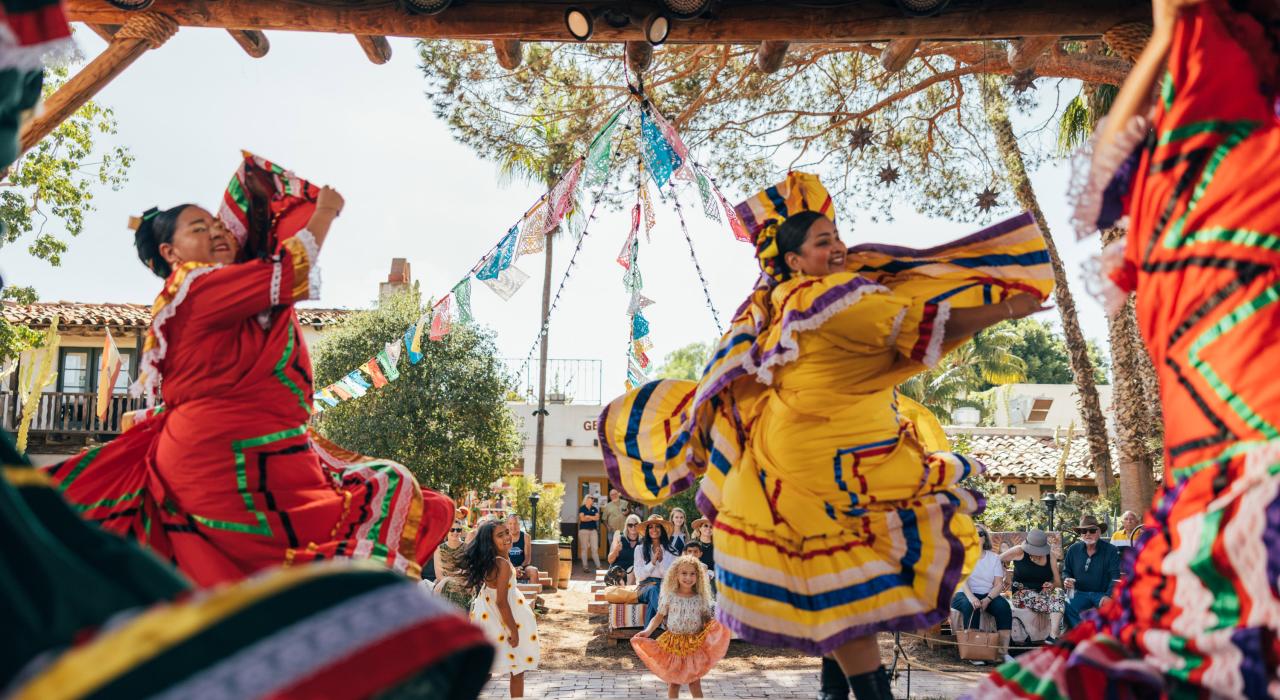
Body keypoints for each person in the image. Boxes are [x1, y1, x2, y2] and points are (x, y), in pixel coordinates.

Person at [599, 171, 1054, 699]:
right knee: (849, 604)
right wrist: (1004, 308)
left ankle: (835, 694)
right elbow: (921, 329)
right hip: (820, 473)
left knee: (844, 605)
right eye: (824, 241)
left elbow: (904, 338)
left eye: (837, 237)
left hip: (815, 464)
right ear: (793, 259)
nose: (838, 248)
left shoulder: (784, 306)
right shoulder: (825, 300)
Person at [976, 3, 1280, 694]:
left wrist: (1171, 35)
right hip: (1226, 479)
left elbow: (1101, 175)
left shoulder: (1178, 198)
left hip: (1225, 480)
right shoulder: (1198, 188)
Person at [40, 161, 453, 587]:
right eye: (199, 228)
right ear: (170, 252)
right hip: (231, 452)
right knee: (370, 504)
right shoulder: (197, 285)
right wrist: (324, 211)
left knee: (252, 573)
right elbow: (289, 271)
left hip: (236, 446)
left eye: (216, 224)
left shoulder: (214, 294)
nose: (215, 232)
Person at [459, 520, 540, 698]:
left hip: (492, 616)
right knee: (513, 669)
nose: (506, 537)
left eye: (507, 532)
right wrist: (513, 629)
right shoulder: (501, 564)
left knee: (496, 668)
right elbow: (501, 601)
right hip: (499, 619)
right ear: (490, 541)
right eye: (500, 535)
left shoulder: (500, 559)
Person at [631, 555, 731, 699]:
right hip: (673, 645)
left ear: (698, 577)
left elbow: (707, 621)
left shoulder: (700, 598)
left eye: (692, 574)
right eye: (684, 573)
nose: (688, 577)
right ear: (676, 575)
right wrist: (647, 631)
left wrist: (720, 625)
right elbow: (658, 617)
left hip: (694, 645)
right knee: (674, 683)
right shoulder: (670, 596)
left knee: (695, 682)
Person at [950, 526, 1013, 664]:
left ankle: (1003, 653)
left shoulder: (994, 558)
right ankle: (973, 652)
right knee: (970, 605)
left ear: (985, 538)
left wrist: (988, 599)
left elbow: (998, 584)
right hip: (962, 593)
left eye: (979, 533)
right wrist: (972, 598)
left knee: (1003, 607)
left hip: (987, 593)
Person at [1000, 528, 1064, 642]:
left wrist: (1051, 585)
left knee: (1058, 592)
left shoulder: (1050, 556)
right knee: (1032, 595)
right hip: (1022, 592)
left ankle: (1053, 636)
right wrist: (1005, 576)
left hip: (1044, 593)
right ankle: (1058, 616)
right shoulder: (1019, 551)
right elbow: (995, 560)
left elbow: (1058, 583)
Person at [1058, 515, 1121, 630]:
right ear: (1081, 534)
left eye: (1092, 530)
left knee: (1113, 608)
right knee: (1065, 605)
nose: (1087, 534)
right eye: (1083, 531)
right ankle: (1083, 632)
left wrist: (1108, 595)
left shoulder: (1111, 550)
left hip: (1101, 594)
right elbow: (1066, 571)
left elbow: (1115, 577)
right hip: (1079, 593)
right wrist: (1067, 579)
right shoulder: (1073, 549)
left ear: (1099, 532)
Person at [633, 515, 676, 627]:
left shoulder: (670, 551)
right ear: (647, 531)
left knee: (656, 592)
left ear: (662, 530)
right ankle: (668, 619)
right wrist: (652, 562)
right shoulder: (639, 549)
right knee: (653, 589)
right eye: (651, 527)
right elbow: (639, 576)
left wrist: (661, 561)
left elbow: (670, 577)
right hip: (644, 588)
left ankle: (647, 634)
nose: (654, 530)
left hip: (663, 586)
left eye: (657, 527)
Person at [432, 520, 475, 610]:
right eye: (452, 529)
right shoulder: (439, 549)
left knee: (454, 587)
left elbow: (471, 571)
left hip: (463, 583)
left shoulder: (467, 548)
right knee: (449, 586)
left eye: (458, 530)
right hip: (445, 583)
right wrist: (447, 579)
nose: (455, 532)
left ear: (461, 531)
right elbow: (439, 575)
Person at [506, 513, 542, 585]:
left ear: (519, 525)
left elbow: (527, 559)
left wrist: (520, 568)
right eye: (510, 523)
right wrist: (512, 570)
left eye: (515, 523)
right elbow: (503, 558)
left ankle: (533, 595)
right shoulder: (504, 537)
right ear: (507, 525)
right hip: (508, 567)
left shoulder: (526, 537)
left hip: (523, 567)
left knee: (534, 571)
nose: (513, 526)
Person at [609, 513, 644, 584]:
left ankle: (627, 589)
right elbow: (610, 560)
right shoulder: (620, 539)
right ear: (626, 526)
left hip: (633, 574)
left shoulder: (643, 541)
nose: (633, 527)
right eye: (630, 525)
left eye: (635, 525)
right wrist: (616, 550)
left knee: (632, 570)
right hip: (618, 572)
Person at [577, 494, 602, 572]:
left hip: (593, 530)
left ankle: (598, 566)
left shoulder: (594, 508)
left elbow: (597, 518)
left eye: (593, 498)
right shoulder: (582, 508)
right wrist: (592, 518)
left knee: (594, 548)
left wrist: (588, 517)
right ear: (587, 499)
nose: (593, 499)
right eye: (591, 498)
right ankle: (585, 567)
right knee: (584, 549)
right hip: (583, 530)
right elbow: (582, 519)